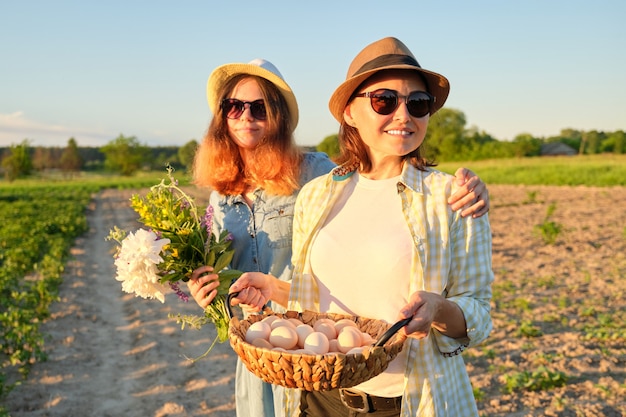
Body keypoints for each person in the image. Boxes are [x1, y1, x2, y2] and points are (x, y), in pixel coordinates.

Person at [188, 56, 491, 417]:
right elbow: (316, 301)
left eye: (418, 103)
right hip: (319, 397)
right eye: (384, 100)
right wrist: (273, 287)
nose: (403, 114)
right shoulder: (318, 194)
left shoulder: (450, 198)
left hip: (406, 402)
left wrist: (439, 309)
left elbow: (480, 315)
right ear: (350, 112)